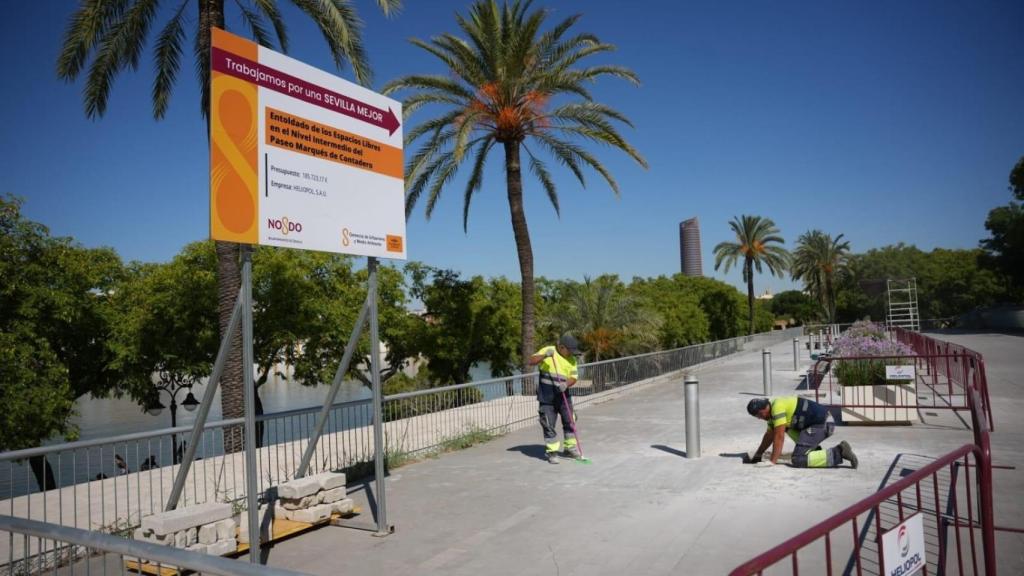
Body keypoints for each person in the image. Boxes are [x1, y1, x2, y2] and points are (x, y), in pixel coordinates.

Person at [746, 396, 858, 469]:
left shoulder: (777, 407)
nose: (760, 418)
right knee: (784, 428)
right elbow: (769, 436)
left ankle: (840, 452)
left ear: (766, 406)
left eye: (760, 414)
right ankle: (814, 450)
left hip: (824, 424)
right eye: (757, 417)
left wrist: (772, 462)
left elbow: (779, 436)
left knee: (798, 459)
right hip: (816, 424)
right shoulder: (771, 415)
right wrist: (758, 454)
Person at [528, 334, 581, 464]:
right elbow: (531, 361)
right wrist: (545, 356)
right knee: (547, 423)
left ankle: (570, 448)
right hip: (547, 397)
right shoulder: (548, 350)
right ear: (562, 347)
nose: (571, 354)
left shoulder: (572, 360)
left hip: (564, 397)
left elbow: (574, 377)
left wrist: (566, 384)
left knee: (570, 421)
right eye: (570, 351)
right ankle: (552, 452)